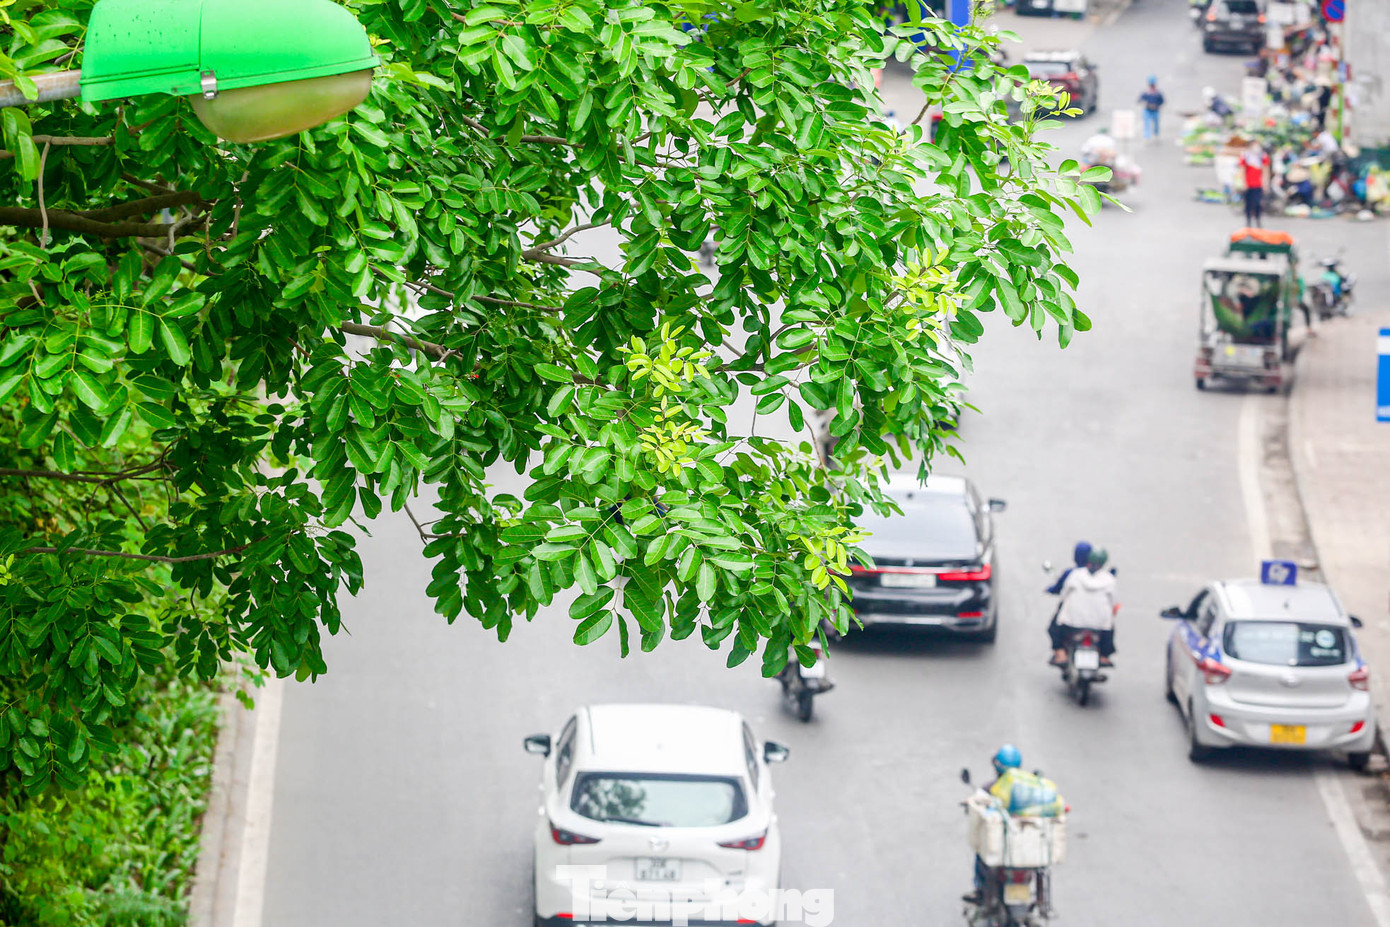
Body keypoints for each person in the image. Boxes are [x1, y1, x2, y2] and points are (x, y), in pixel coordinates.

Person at [963, 745, 1066, 904]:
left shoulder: (992, 788)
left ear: (996, 766)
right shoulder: (1030, 787)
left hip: (1002, 850)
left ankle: (980, 890)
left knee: (981, 852)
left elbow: (979, 803)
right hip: (1028, 848)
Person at [1050, 548, 1118, 667]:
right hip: (1099, 625)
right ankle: (1104, 657)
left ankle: (1061, 654)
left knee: (1055, 629)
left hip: (1072, 622)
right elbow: (1113, 602)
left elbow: (1064, 594)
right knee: (1109, 627)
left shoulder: (1076, 575)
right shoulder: (1109, 579)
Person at [1242, 142, 1270, 227]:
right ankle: (1248, 221)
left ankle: (1258, 221)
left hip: (1258, 184)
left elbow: (1265, 170)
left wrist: (1265, 183)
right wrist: (1244, 183)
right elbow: (1242, 170)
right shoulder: (1246, 156)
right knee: (1248, 203)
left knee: (1258, 203)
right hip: (1248, 184)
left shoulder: (1263, 157)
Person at [1138, 76, 1165, 141]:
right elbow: (1139, 100)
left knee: (1156, 123)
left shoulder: (1158, 93)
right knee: (1147, 122)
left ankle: (1156, 134)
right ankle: (1147, 136)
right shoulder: (1146, 92)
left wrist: (1157, 105)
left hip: (1155, 110)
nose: (1152, 86)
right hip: (1147, 110)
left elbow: (1162, 101)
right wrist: (1145, 103)